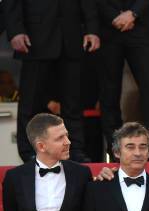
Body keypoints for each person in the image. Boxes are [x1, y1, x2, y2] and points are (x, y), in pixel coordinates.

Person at [4, 0, 100, 163]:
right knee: (31, 101)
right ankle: (29, 151)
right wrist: (15, 31)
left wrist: (92, 29)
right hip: (35, 37)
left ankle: (74, 149)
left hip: (71, 35)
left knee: (73, 102)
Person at [96, 0, 149, 159]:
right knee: (109, 92)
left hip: (140, 25)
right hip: (108, 27)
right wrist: (114, 16)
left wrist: (133, 13)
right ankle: (114, 148)